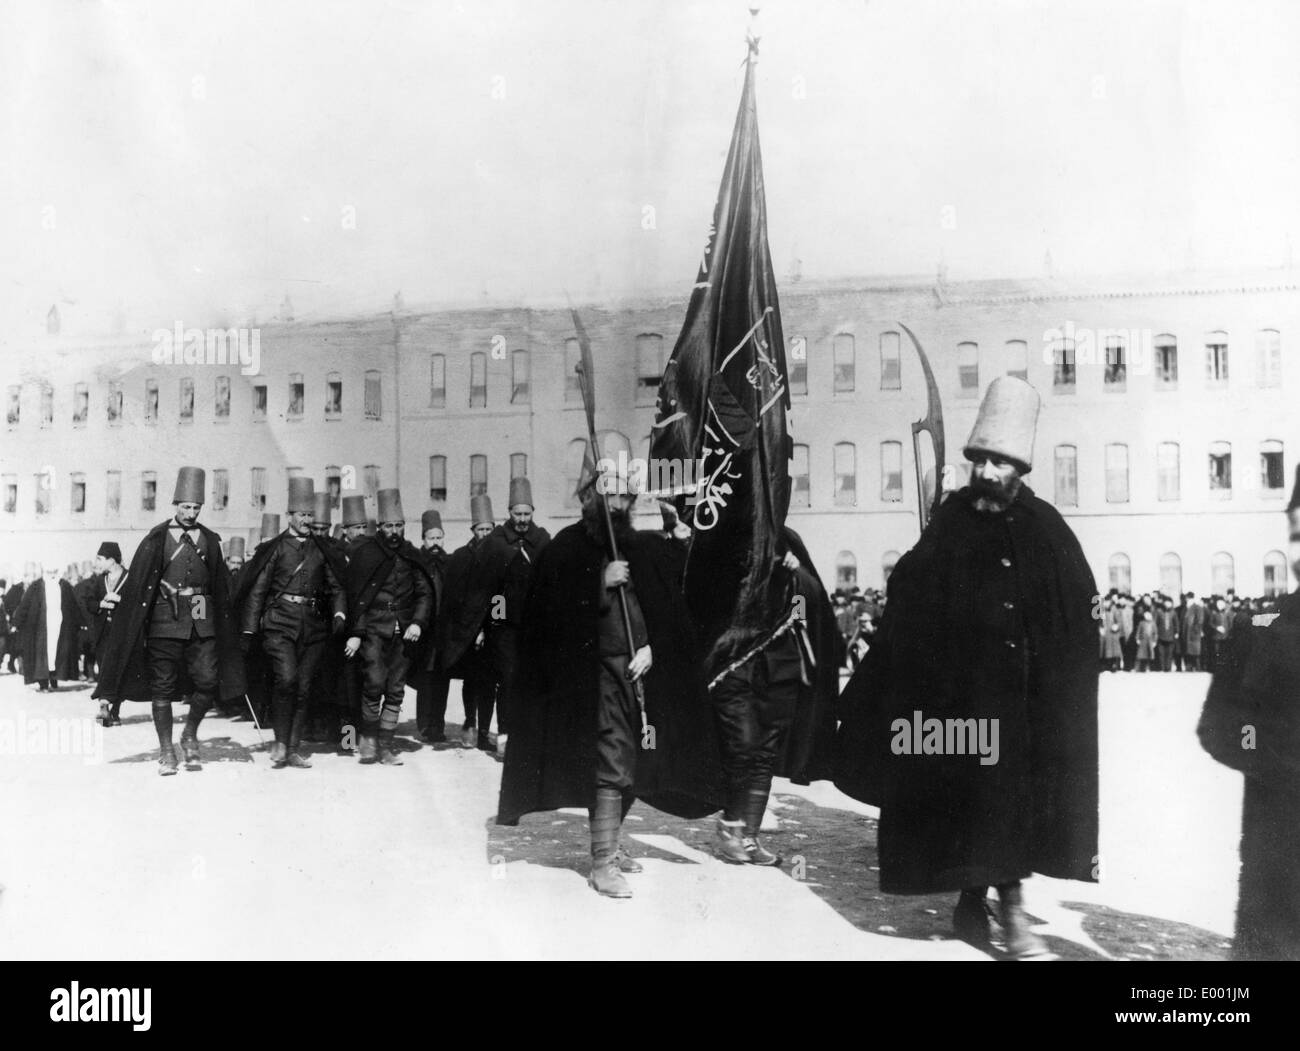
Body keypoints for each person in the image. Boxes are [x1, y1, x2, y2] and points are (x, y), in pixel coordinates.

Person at [835, 376, 1099, 959]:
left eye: (999, 463)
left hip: (1024, 707)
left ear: (1021, 469)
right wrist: (920, 557)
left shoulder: (1047, 529)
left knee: (1004, 805)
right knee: (975, 804)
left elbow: (1076, 610)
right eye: (979, 460)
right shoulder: (951, 519)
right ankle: (988, 906)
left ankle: (993, 906)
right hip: (962, 704)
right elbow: (909, 595)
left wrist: (1059, 682)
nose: (985, 473)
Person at [496, 457, 724, 899]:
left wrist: (652, 648)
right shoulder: (565, 549)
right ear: (588, 498)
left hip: (638, 674)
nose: (617, 502)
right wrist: (598, 584)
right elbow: (546, 619)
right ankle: (602, 861)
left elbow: (671, 615)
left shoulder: (642, 548)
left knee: (637, 758)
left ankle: (611, 847)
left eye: (625, 495)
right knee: (611, 758)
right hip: (592, 678)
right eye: (608, 493)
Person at [1197, 467, 1300, 959]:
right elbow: (1220, 725)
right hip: (1277, 856)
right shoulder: (1262, 626)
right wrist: (1269, 752)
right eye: (1299, 535)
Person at [93, 467, 246, 775]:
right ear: (176, 504)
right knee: (162, 687)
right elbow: (140, 584)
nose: (190, 513)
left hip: (200, 612)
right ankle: (166, 751)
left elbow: (216, 586)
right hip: (164, 619)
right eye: (186, 506)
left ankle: (189, 734)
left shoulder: (209, 539)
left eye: (196, 507)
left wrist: (210, 625)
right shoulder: (156, 539)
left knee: (206, 679)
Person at [237, 477, 347, 768]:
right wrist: (249, 629)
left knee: (304, 686)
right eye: (302, 515)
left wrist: (339, 614)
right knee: (286, 679)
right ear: (290, 516)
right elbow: (259, 589)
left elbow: (336, 586)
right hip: (279, 624)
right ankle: (280, 741)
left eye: (311, 515)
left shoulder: (322, 548)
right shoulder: (275, 548)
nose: (307, 520)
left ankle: (294, 748)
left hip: (314, 628)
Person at [342, 488, 435, 764]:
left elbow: (424, 593)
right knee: (374, 682)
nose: (394, 531)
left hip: (404, 632)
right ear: (379, 527)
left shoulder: (412, 554)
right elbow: (357, 597)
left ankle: (385, 745)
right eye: (389, 526)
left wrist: (418, 622)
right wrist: (357, 633)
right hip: (373, 629)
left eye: (398, 525)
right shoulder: (366, 552)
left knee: (395, 689)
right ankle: (368, 739)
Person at [474, 477, 551, 757]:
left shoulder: (542, 540)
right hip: (504, 626)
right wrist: (493, 623)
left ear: (533, 512)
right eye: (517, 514)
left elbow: (549, 582)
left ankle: (529, 735)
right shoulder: (495, 542)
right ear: (508, 512)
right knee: (507, 679)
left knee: (531, 679)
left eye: (526, 514)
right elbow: (488, 587)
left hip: (533, 625)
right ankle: (505, 734)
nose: (521, 520)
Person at [439, 495, 498, 748]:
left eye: (488, 529)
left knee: (489, 683)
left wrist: (493, 626)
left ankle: (484, 731)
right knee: (471, 680)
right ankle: (469, 722)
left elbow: (502, 596)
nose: (484, 534)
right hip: (467, 632)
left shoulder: (502, 555)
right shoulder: (461, 557)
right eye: (480, 529)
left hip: (493, 630)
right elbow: (454, 597)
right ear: (472, 530)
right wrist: (471, 629)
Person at [14, 563, 83, 691]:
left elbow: (73, 606)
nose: (52, 575)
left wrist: (80, 622)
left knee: (58, 652)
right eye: (49, 572)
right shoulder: (36, 586)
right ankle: (43, 682)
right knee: (42, 655)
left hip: (59, 625)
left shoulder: (64, 585)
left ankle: (55, 677)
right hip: (40, 628)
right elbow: (25, 605)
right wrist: (17, 621)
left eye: (54, 572)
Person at [413, 509, 451, 743]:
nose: (435, 543)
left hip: (443, 631)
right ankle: (425, 725)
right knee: (425, 678)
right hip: (424, 630)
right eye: (431, 538)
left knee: (442, 679)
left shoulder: (449, 562)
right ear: (423, 540)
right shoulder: (417, 563)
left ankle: (438, 724)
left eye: (439, 538)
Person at [84, 542, 128, 725]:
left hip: (122, 634)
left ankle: (114, 710)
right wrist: (101, 604)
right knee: (104, 670)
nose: (98, 562)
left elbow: (137, 602)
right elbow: (88, 601)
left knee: (119, 672)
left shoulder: (130, 578)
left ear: (112, 560)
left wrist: (119, 599)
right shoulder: (98, 580)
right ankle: (104, 706)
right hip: (103, 634)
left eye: (100, 559)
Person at [1182, 592, 1205, 672]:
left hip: (1193, 634)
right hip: (1188, 634)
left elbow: (1200, 621)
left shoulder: (1196, 607)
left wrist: (1196, 630)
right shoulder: (1188, 608)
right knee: (1190, 651)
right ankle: (1190, 667)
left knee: (1195, 652)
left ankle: (1197, 668)